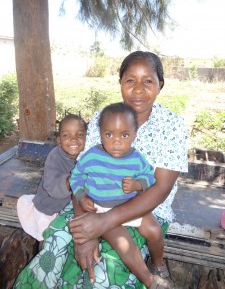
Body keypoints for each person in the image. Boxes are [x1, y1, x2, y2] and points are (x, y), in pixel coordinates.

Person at [14, 51, 188, 289]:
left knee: (106, 268)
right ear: (120, 84)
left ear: (161, 85)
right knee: (56, 240)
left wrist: (103, 222)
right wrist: (86, 229)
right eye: (130, 80)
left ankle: (154, 269)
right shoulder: (103, 118)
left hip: (143, 210)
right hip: (92, 202)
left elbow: (160, 189)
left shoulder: (172, 126)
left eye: (148, 81)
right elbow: (81, 176)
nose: (138, 89)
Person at [70, 102, 164, 288]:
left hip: (129, 208)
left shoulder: (137, 159)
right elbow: (76, 177)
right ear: (101, 134)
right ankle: (149, 280)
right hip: (102, 210)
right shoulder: (92, 156)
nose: (116, 141)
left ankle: (158, 263)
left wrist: (138, 185)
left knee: (154, 230)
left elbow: (149, 178)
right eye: (109, 134)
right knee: (123, 243)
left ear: (134, 135)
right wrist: (81, 197)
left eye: (125, 135)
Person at [16, 114, 87, 241]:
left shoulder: (87, 157)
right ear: (59, 140)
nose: (74, 139)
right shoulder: (55, 157)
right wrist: (72, 180)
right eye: (66, 135)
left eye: (79, 135)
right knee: (49, 238)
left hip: (70, 205)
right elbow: (53, 189)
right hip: (50, 207)